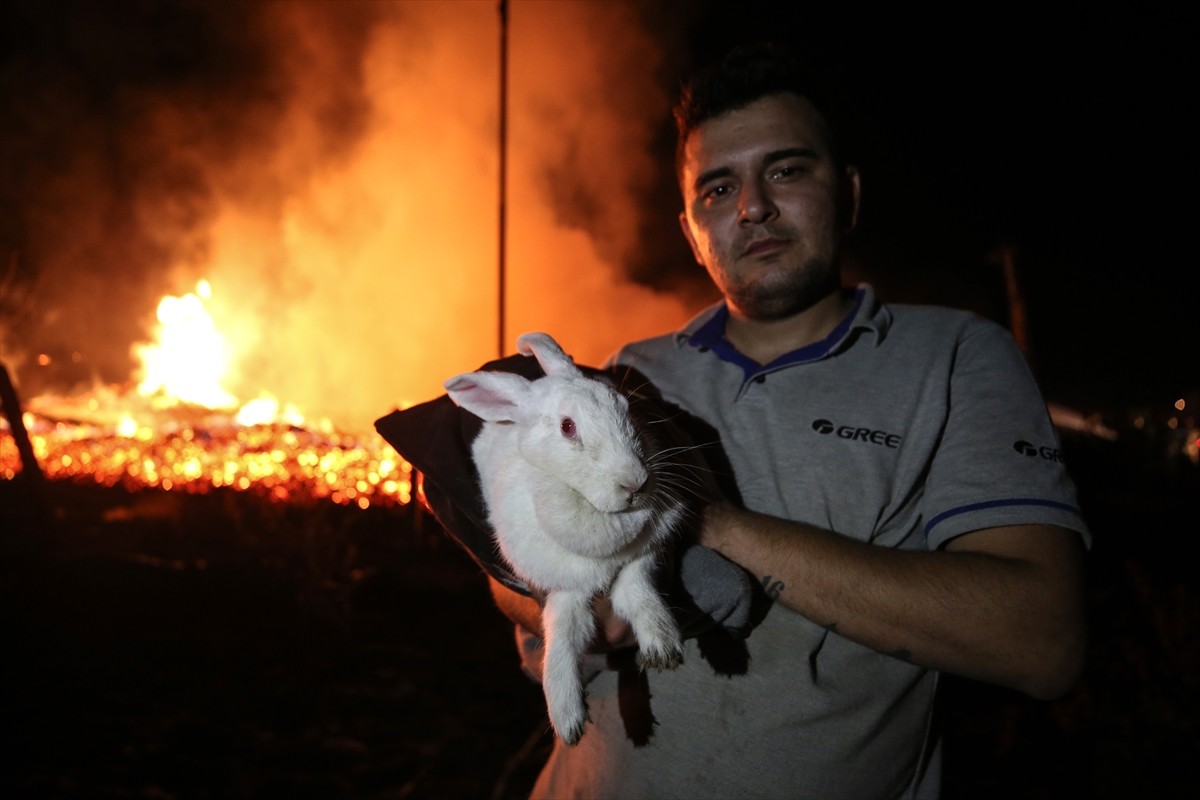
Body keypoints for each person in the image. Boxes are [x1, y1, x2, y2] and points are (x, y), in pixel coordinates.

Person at [483, 41, 1090, 799]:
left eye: (787, 170)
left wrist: (702, 521)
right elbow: (521, 560)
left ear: (850, 192)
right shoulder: (631, 372)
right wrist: (538, 591)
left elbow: (1043, 642)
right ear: (690, 230)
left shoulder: (954, 356)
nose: (752, 207)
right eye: (717, 188)